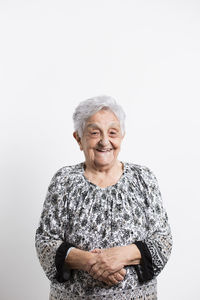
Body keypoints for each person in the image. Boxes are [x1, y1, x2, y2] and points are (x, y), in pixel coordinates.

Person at [35, 95, 172, 300]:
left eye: (113, 132)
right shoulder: (63, 181)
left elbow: (163, 240)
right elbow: (45, 242)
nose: (104, 141)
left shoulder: (144, 179)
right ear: (78, 138)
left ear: (122, 136)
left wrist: (119, 256)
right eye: (94, 132)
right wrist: (91, 261)